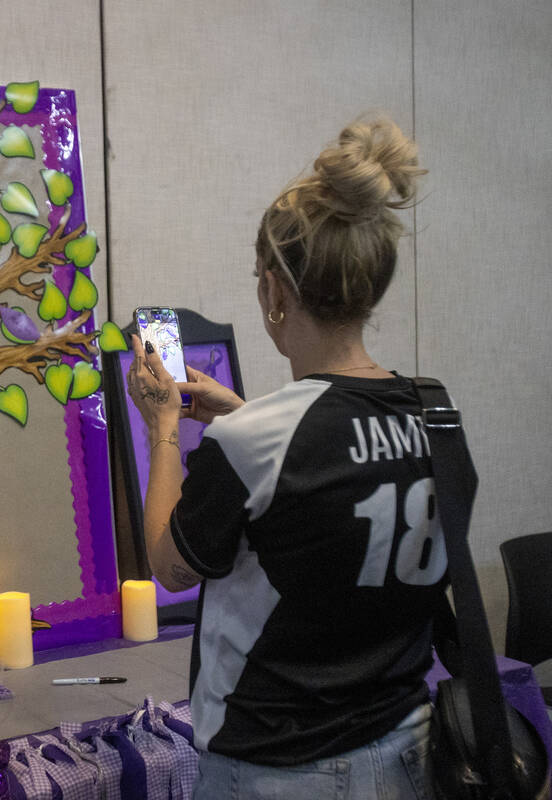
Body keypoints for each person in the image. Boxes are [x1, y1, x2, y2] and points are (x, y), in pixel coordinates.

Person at [126, 115, 440, 799]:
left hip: (283, 770)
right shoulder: (435, 415)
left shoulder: (258, 442)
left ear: (274, 291)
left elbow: (169, 565)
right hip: (411, 749)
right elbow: (337, 482)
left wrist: (162, 427)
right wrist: (247, 414)